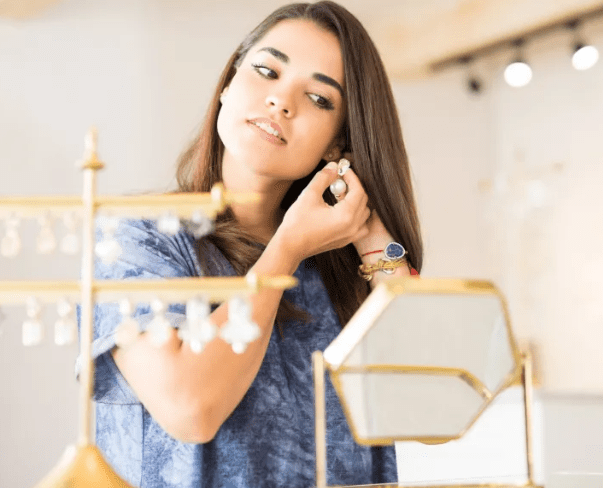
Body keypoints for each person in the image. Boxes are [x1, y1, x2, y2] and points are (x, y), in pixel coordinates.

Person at [86, 2, 423, 487]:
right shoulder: (138, 236)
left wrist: (373, 236)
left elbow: (422, 399)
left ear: (337, 143)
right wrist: (285, 250)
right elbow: (189, 409)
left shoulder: (342, 264)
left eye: (319, 99)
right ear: (228, 84)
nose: (281, 102)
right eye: (267, 71)